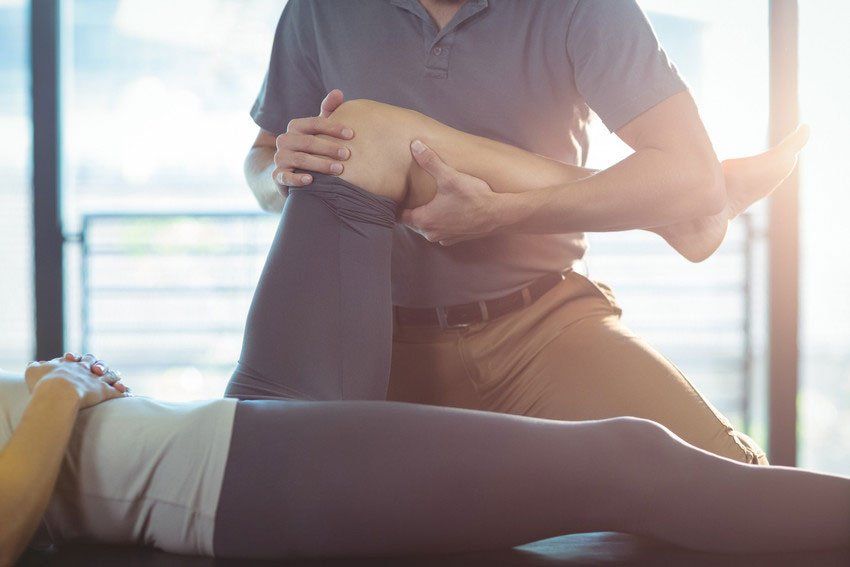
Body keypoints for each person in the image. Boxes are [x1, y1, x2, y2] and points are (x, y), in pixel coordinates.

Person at [0, 101, 833, 565]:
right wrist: (60, 389)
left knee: (358, 131)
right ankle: (684, 198)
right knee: (632, 461)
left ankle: (683, 199)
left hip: (233, 429)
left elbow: (269, 164)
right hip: (227, 477)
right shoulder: (54, 401)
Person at [244, 0, 797, 464]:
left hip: (542, 324)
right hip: (377, 343)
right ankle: (675, 218)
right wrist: (283, 174)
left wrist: (505, 211)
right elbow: (263, 161)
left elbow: (689, 173)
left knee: (739, 486)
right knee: (365, 133)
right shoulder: (319, 9)